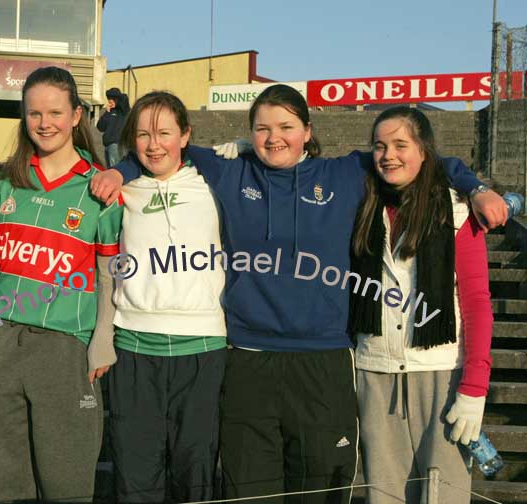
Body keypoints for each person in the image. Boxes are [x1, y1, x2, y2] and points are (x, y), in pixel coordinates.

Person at [91, 84, 506, 503]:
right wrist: (116, 172)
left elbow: (423, 158)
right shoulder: (229, 170)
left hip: (322, 358)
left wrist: (475, 187)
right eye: (262, 128)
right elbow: (155, 153)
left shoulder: (343, 174)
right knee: (250, 490)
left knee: (320, 490)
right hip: (248, 357)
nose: (274, 138)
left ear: (307, 130)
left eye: (286, 126)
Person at [0, 66, 123, 503]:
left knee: (67, 483)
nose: (45, 123)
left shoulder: (99, 188)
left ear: (77, 115)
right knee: (4, 483)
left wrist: (103, 335)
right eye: (35, 113)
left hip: (66, 346)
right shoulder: (0, 182)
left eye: (55, 112)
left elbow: (109, 271)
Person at [349, 107, 493, 503]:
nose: (388, 155)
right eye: (380, 146)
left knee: (442, 493)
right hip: (375, 370)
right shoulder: (361, 204)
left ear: (424, 151)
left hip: (441, 373)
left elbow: (478, 302)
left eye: (400, 145)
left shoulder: (459, 210)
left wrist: (475, 387)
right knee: (384, 494)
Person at [106, 91, 227, 502]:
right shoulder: (122, 188)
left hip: (202, 347)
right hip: (136, 348)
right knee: (136, 476)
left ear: (185, 135)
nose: (153, 144)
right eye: (142, 135)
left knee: (194, 476)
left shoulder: (213, 183)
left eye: (163, 133)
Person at [98, 87, 130, 166]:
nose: (110, 101)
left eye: (112, 98)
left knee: (114, 168)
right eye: (108, 98)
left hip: (116, 144)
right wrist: (107, 113)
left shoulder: (123, 111)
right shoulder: (109, 112)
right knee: (109, 169)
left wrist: (117, 100)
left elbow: (124, 99)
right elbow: (100, 127)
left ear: (117, 99)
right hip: (107, 145)